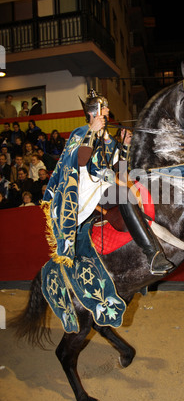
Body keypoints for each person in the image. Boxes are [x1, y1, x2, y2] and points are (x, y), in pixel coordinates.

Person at [43, 89, 173, 275]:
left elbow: (119, 171)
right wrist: (91, 132)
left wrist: (125, 146)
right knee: (122, 193)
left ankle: (143, 254)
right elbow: (81, 161)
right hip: (83, 187)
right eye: (104, 107)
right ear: (92, 112)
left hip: (102, 186)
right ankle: (151, 253)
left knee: (135, 190)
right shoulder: (80, 131)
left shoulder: (109, 140)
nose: (108, 109)